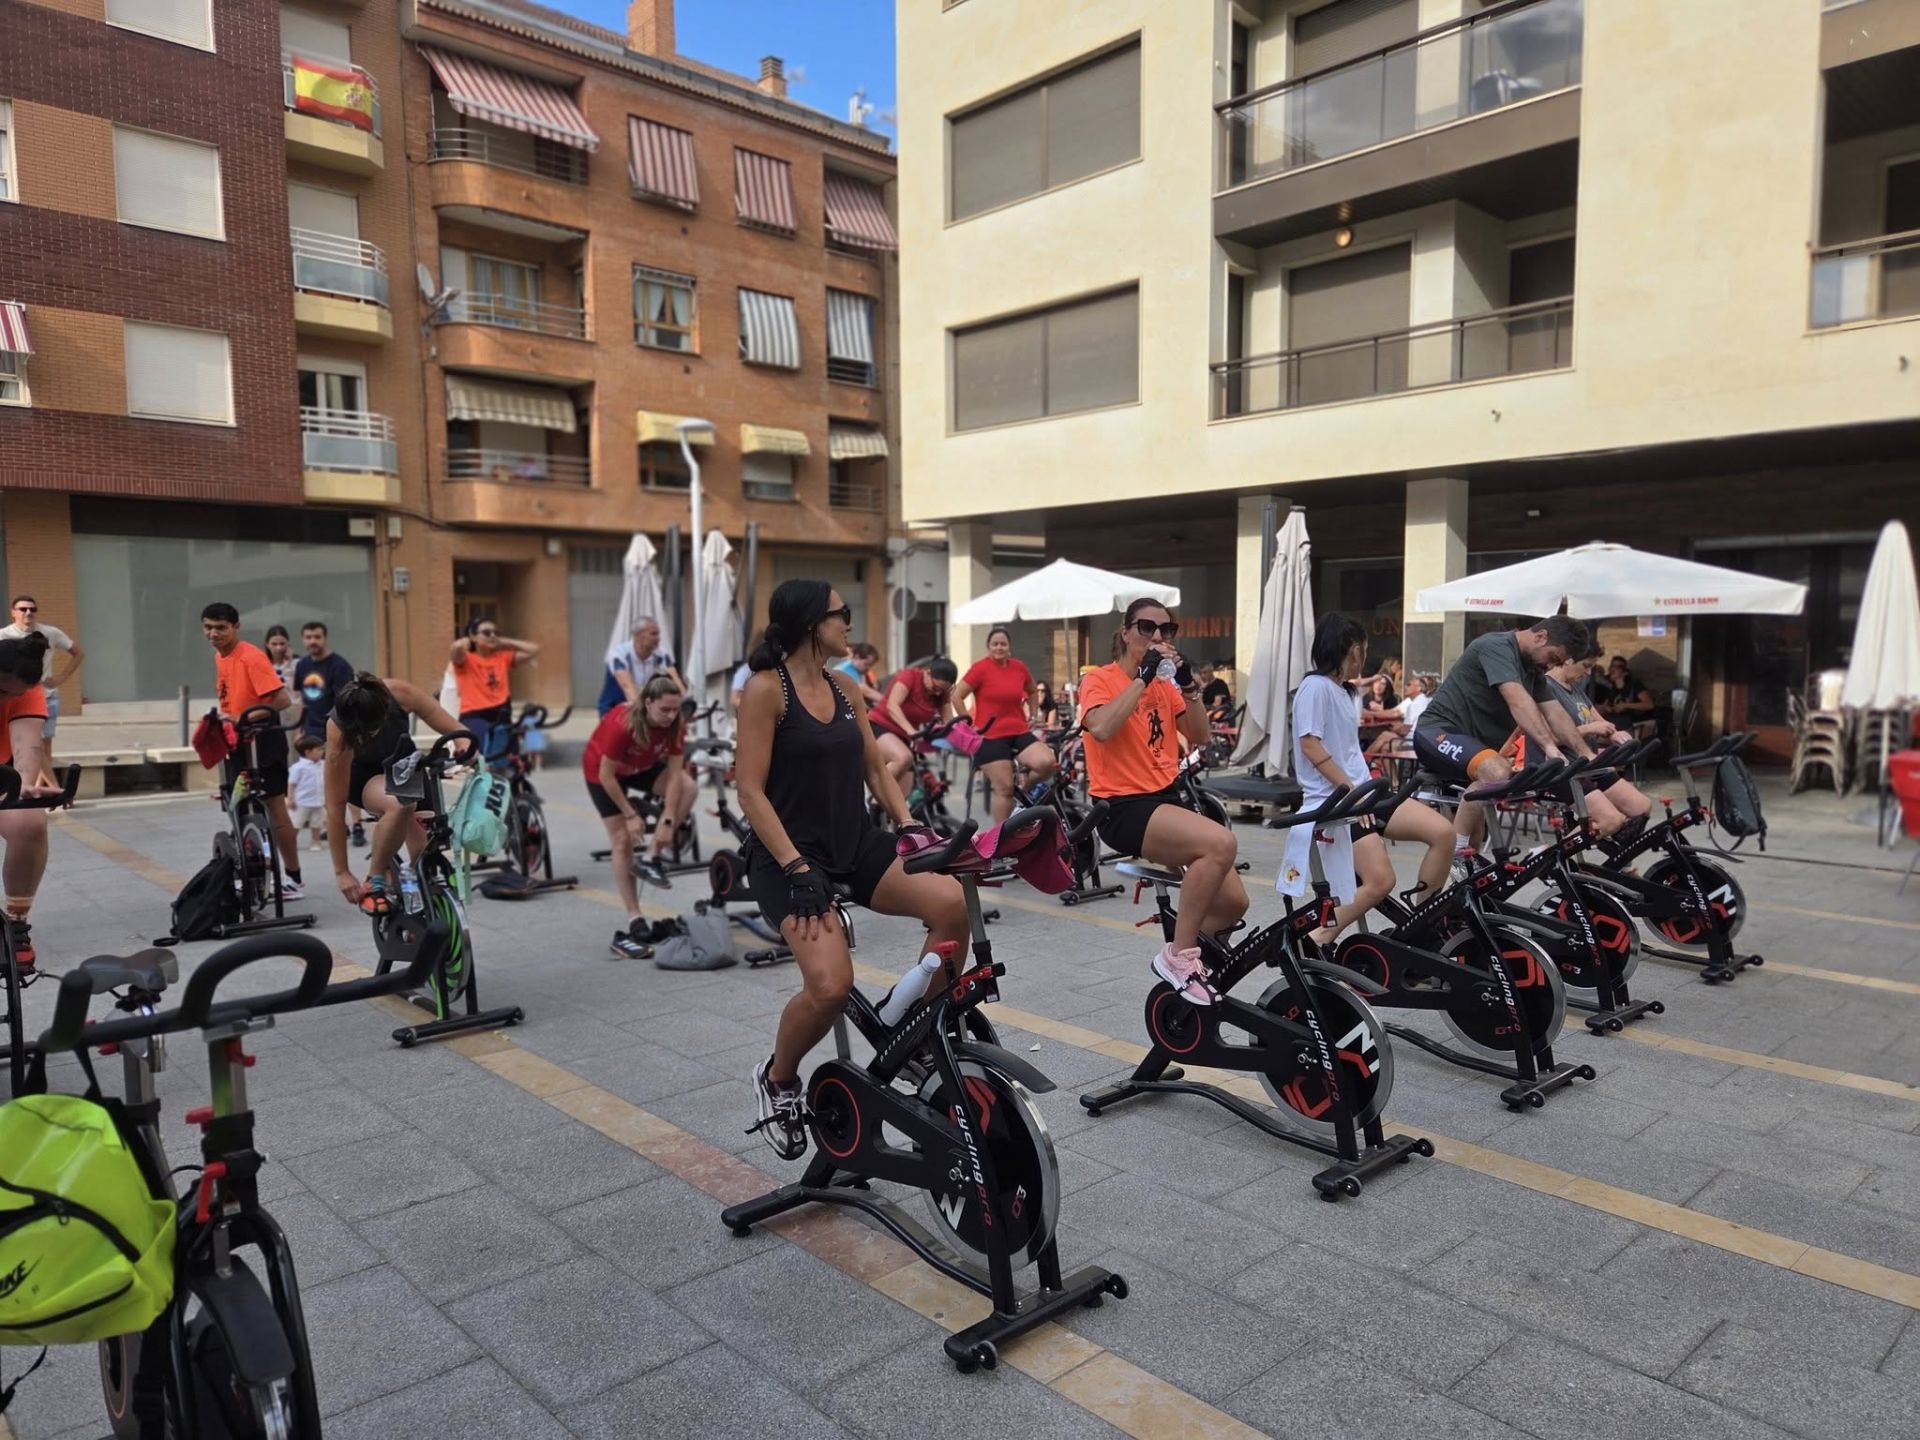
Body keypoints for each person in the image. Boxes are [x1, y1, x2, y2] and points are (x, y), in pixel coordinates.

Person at [736, 580, 968, 1160]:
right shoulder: (767, 691)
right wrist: (794, 865)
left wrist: (909, 823)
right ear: (813, 624)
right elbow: (749, 790)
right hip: (787, 858)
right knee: (831, 986)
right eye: (842, 614)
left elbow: (875, 767)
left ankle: (912, 1028)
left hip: (854, 841)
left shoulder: (845, 688)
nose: (850, 624)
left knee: (951, 905)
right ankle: (779, 1078)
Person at [1080, 597, 1245, 1004]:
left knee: (1234, 902)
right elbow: (1100, 728)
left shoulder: (1164, 686)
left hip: (1165, 799)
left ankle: (1188, 982)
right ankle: (1178, 956)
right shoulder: (1099, 679)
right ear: (1125, 632)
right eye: (1146, 627)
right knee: (1220, 843)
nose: (1157, 636)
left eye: (1166, 630)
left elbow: (1201, 734)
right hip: (1122, 806)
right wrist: (1141, 677)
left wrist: (1188, 687)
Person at [1292, 616, 1455, 944]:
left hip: (1365, 794)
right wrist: (1350, 790)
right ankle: (1319, 936)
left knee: (1444, 833)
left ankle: (1420, 925)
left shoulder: (1343, 691)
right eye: (1364, 651)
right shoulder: (1314, 687)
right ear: (1354, 650)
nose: (1364, 658)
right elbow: (1310, 743)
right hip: (1338, 802)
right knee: (1381, 881)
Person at [1412, 615, 1592, 854]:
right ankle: (1453, 850)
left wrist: (1586, 753)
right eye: (1552, 658)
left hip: (1475, 750)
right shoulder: (1495, 646)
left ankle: (1460, 874)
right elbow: (1517, 700)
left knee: (1475, 846)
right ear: (1541, 637)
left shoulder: (1533, 670)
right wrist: (1549, 747)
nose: (1550, 667)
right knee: (1497, 772)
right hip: (1437, 732)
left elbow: (1556, 713)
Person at [322, 673, 470, 914]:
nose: (367, 736)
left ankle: (422, 897)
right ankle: (376, 879)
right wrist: (342, 872)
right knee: (401, 804)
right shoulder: (338, 729)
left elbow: (435, 715)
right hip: (364, 776)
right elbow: (335, 807)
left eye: (371, 729)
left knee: (425, 845)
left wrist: (463, 741)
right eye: (361, 733)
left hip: (404, 765)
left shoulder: (398, 693)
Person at [586, 675, 697, 956]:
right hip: (603, 774)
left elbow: (674, 775)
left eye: (676, 710)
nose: (671, 716)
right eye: (665, 710)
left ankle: (650, 858)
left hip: (640, 768)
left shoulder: (675, 725)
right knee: (622, 840)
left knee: (688, 787)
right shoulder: (622, 725)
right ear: (647, 703)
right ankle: (634, 916)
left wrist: (669, 821)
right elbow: (606, 775)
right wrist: (630, 814)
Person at [203, 602, 303, 898]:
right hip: (238, 739)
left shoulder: (251, 657)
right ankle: (253, 866)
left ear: (235, 627)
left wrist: (245, 718)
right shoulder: (220, 656)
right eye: (208, 627)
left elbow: (282, 700)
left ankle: (294, 879)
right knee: (237, 801)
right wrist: (227, 720)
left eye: (221, 627)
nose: (214, 633)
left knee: (274, 805)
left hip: (264, 739)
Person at [952, 626, 1057, 823]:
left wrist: (1033, 714)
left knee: (1048, 763)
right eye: (995, 644)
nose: (999, 647)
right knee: (1005, 789)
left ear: (1009, 647)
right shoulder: (980, 668)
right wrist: (968, 723)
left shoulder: (1018, 667)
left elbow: (1033, 691)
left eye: (1003, 644)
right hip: (990, 737)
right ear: (989, 647)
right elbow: (956, 696)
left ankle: (1025, 788)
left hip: (1018, 730)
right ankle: (999, 840)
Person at [1543, 653, 1653, 837]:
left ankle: (1619, 864)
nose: (1588, 673)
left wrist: (1615, 733)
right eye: (1585, 665)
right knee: (1611, 820)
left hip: (1589, 764)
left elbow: (1600, 722)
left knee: (1641, 808)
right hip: (1563, 768)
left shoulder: (1575, 687)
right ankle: (1551, 860)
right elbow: (1547, 738)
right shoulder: (1545, 687)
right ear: (1569, 659)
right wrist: (1589, 728)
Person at [0, 634, 60, 969]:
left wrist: (22, 786)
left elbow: (27, 746)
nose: (6, 698)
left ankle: (16, 923)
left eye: (13, 694)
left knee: (30, 820)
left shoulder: (27, 690)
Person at [291, 621, 364, 847]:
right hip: (311, 730)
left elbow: (346, 702)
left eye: (317, 637)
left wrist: (344, 733)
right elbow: (302, 699)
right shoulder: (302, 665)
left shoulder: (339, 666)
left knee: (343, 777)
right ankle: (334, 825)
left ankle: (357, 825)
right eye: (308, 637)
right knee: (323, 781)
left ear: (325, 638)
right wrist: (298, 729)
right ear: (303, 639)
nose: (313, 641)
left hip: (335, 729)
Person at [0, 597, 83, 787]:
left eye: (32, 609)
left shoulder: (50, 633)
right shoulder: (3, 634)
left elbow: (29, 747)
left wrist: (24, 788)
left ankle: (43, 786)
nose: (28, 613)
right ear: (13, 612)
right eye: (23, 609)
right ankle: (49, 785)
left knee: (43, 747)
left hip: (45, 694)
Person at [451, 618, 538, 763]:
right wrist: (465, 642)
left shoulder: (502, 657)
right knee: (485, 758)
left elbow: (535, 650)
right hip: (475, 715)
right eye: (486, 632)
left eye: (495, 633)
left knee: (511, 761)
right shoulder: (466, 660)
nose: (492, 636)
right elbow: (455, 650)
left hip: (501, 714)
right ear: (473, 636)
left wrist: (504, 641)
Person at [867, 657, 957, 791]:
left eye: (942, 690)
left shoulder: (941, 692)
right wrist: (911, 731)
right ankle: (870, 800)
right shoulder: (909, 676)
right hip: (879, 726)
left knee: (904, 790)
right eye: (935, 687)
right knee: (903, 758)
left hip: (904, 737)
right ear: (927, 673)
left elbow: (949, 722)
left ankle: (882, 808)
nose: (937, 692)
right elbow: (892, 706)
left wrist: (964, 735)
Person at [599, 617, 682, 717]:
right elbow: (627, 687)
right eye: (653, 634)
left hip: (644, 708)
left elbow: (675, 679)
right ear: (639, 636)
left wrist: (687, 704)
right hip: (615, 709)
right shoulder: (619, 654)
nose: (658, 638)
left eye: (658, 634)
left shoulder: (661, 654)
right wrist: (645, 714)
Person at [1365, 673, 1429, 758]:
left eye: (1409, 684)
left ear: (1418, 688)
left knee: (1385, 735)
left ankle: (1364, 760)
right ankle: (1389, 771)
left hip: (1413, 742)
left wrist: (1395, 728)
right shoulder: (1421, 701)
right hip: (1420, 740)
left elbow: (1404, 730)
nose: (1405, 687)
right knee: (1385, 748)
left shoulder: (1415, 704)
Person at [1597, 655, 1656, 738]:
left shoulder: (1634, 684)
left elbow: (1649, 704)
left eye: (1618, 667)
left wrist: (1626, 705)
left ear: (1624, 672)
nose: (1613, 669)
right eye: (1612, 666)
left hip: (1634, 722)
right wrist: (1607, 708)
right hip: (1618, 721)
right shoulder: (1611, 686)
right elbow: (1607, 705)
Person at [287, 734, 327, 850]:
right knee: (296, 823)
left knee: (317, 823)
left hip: (318, 800)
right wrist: (290, 799)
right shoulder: (298, 767)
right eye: (318, 750)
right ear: (307, 752)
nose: (321, 752)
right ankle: (290, 842)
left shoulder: (323, 765)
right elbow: (292, 784)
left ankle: (315, 841)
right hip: (301, 801)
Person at [833, 641, 886, 708]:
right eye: (866, 664)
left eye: (871, 665)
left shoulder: (859, 671)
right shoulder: (845, 669)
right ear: (857, 657)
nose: (868, 668)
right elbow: (864, 690)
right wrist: (888, 701)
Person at [264, 626, 296, 692]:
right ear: (267, 645)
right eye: (274, 644)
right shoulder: (262, 665)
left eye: (282, 644)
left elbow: (295, 691)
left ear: (288, 643)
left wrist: (288, 665)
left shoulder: (298, 663)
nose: (279, 648)